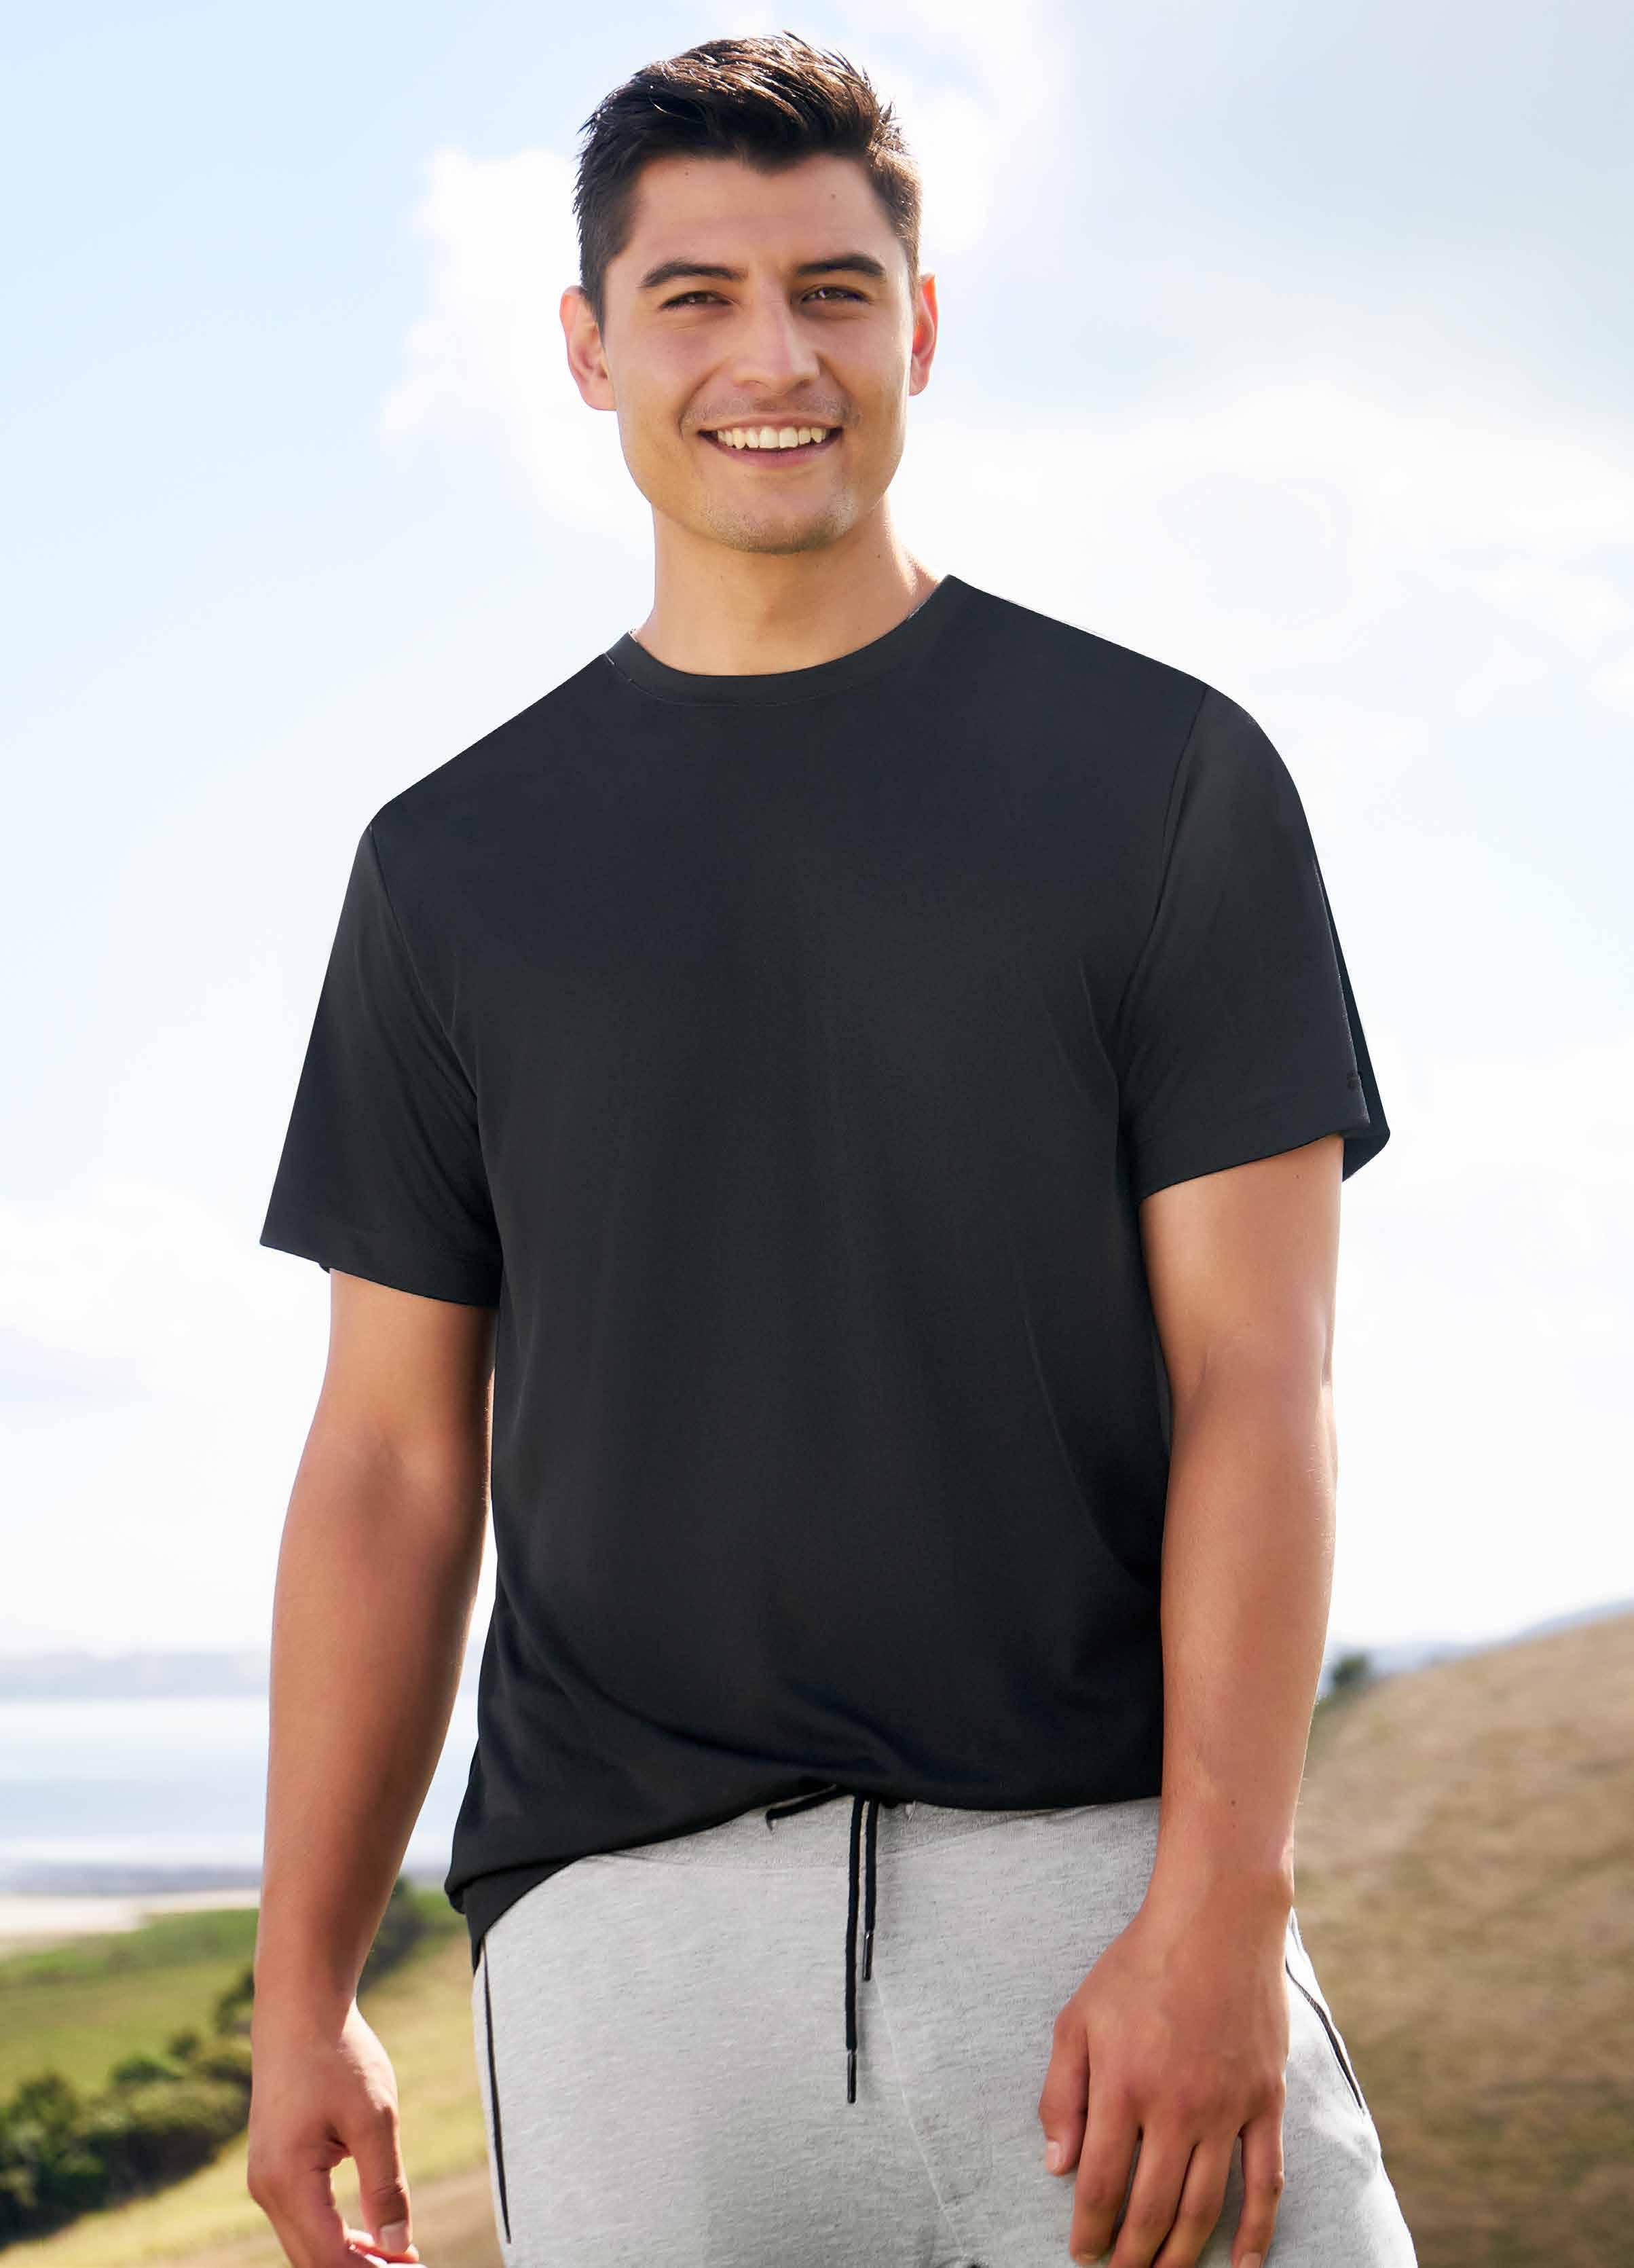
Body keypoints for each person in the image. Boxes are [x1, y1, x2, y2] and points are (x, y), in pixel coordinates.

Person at [247, 30, 1418, 2268]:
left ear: (922, 327)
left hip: (1099, 1915)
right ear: (588, 349)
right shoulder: (446, 868)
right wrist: (301, 1990)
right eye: (693, 296)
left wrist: (1217, 1902)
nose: (772, 359)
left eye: (833, 291)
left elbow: (1259, 1381)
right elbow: (388, 1463)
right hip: (629, 1977)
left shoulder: (1164, 780)